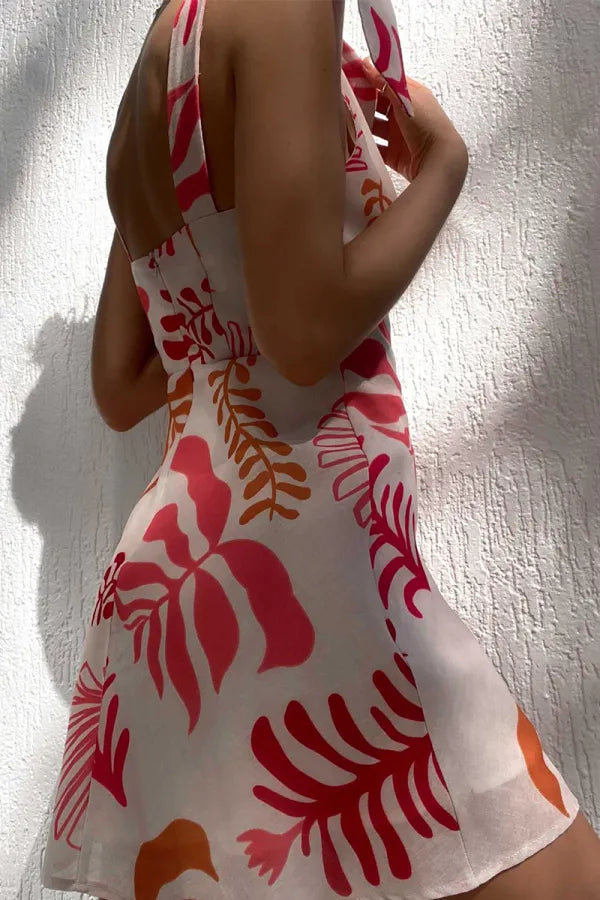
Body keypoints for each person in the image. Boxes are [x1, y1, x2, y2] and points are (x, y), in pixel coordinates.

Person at [40, 0, 600, 898]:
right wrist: (444, 167)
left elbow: (123, 382)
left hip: (177, 579)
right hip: (308, 568)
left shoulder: (154, 75)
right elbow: (302, 336)